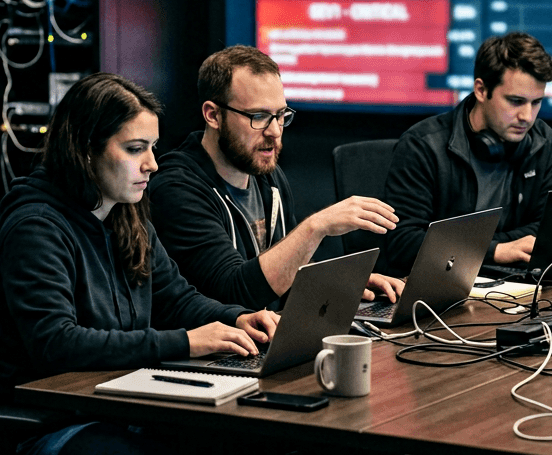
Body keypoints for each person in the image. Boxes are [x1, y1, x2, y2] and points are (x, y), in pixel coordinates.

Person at [0, 72, 382, 455]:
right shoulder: (37, 228)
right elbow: (57, 343)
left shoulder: (125, 215)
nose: (152, 163)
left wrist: (234, 317)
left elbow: (178, 298)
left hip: (116, 406)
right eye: (135, 149)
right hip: (44, 429)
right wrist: (186, 341)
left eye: (151, 147)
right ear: (85, 150)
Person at [150, 45, 403, 310]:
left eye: (280, 115)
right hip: (220, 349)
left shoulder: (266, 174)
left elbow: (284, 272)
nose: (274, 131)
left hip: (265, 339)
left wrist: (340, 282)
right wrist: (315, 227)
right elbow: (233, 292)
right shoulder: (176, 188)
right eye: (258, 116)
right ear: (213, 115)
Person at [380, 31, 552, 276]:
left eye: (536, 102)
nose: (527, 117)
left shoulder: (540, 140)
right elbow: (404, 243)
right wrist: (495, 250)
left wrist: (477, 247)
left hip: (511, 284)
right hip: (435, 290)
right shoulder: (423, 145)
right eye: (515, 101)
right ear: (481, 90)